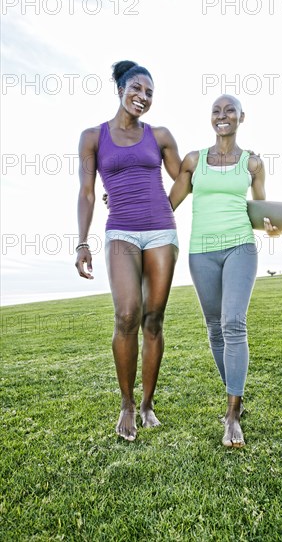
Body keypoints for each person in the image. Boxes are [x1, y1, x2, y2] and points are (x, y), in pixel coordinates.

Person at [75, 60, 181, 442]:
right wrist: (83, 241)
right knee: (126, 314)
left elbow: (183, 178)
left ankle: (148, 403)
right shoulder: (93, 137)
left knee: (153, 319)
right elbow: (87, 193)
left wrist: (164, 207)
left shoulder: (161, 135)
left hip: (161, 234)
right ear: (120, 89)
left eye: (150, 92)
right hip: (120, 231)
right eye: (137, 88)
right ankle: (126, 403)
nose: (143, 97)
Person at [169, 94, 280, 448]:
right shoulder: (193, 160)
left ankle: (232, 413)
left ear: (241, 117)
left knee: (234, 322)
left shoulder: (252, 164)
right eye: (216, 111)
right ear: (210, 119)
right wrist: (127, 200)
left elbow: (260, 209)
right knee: (215, 329)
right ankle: (237, 395)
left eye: (229, 110)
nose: (222, 116)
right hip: (201, 252)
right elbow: (167, 204)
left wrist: (270, 225)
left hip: (239, 247)